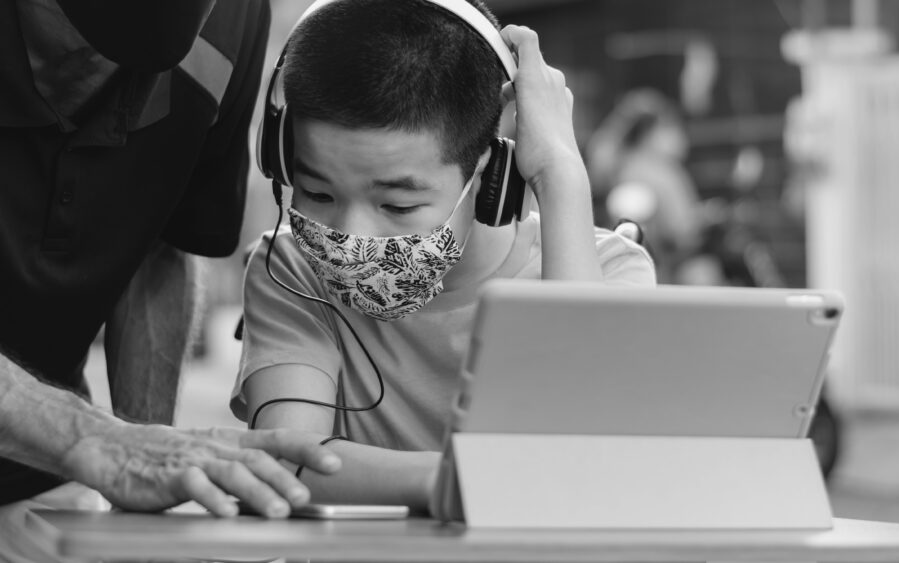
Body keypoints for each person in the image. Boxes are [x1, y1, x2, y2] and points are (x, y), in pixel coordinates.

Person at [230, 0, 656, 517]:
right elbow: (285, 459)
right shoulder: (291, 271)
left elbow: (583, 455)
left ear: (492, 178)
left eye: (398, 205)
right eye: (317, 193)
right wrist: (470, 481)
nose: (350, 235)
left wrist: (561, 174)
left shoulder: (608, 268)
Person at [0, 1, 342, 560]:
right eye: (72, 44)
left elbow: (157, 249)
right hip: (67, 442)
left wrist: (141, 484)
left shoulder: (233, 21)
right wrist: (91, 439)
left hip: (42, 477)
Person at [586, 88, 704, 283]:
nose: (681, 137)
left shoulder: (620, 167)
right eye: (673, 127)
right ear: (653, 131)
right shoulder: (662, 173)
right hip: (667, 270)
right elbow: (682, 232)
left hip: (621, 265)